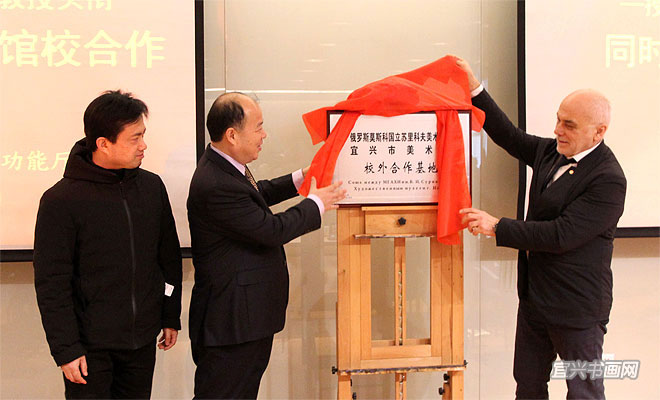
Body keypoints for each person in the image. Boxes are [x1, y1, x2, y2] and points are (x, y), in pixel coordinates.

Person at [455, 57, 626, 399]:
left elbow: (561, 235)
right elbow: (509, 135)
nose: (558, 130)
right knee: (528, 386)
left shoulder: (608, 178)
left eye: (569, 125)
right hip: (535, 301)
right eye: (558, 120)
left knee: (585, 391)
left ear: (599, 131)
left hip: (578, 310)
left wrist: (497, 226)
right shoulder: (551, 152)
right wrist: (475, 88)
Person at [187, 92, 346, 399]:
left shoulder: (223, 166)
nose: (264, 135)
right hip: (231, 322)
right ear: (232, 135)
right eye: (258, 127)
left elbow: (255, 195)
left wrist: (301, 178)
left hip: (244, 318)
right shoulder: (216, 183)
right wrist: (316, 204)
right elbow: (271, 230)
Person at [33, 90, 183, 399]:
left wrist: (170, 315)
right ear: (103, 143)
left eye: (143, 135)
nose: (143, 145)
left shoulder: (151, 187)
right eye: (134, 138)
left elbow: (167, 257)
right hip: (89, 348)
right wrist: (66, 349)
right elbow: (52, 283)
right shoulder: (61, 200)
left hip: (141, 341)